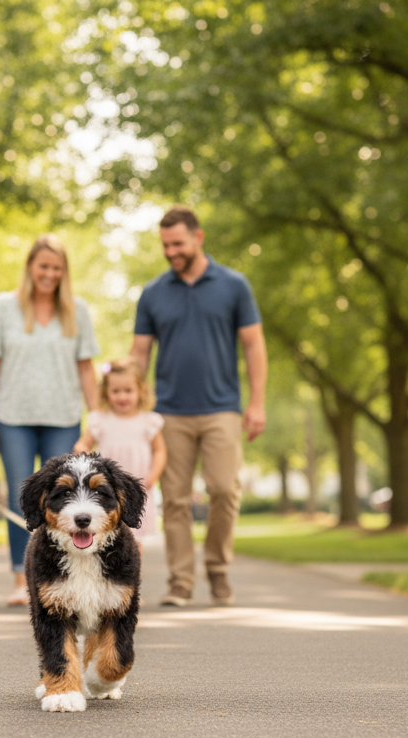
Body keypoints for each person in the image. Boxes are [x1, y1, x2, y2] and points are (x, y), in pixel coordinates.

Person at [130, 206, 267, 607]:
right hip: (169, 411)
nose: (171, 252)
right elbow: (139, 354)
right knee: (174, 500)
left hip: (222, 407)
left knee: (224, 489)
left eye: (177, 244)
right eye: (165, 245)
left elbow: (253, 344)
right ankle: (181, 582)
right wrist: (133, 406)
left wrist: (257, 402)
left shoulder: (234, 285)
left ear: (198, 238)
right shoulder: (153, 293)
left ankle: (218, 570)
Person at [0, 234, 100, 606]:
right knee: (22, 499)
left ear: (64, 272)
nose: (49, 274)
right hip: (12, 417)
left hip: (63, 417)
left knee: (63, 499)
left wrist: (96, 419)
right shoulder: (4, 306)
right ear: (31, 266)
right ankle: (21, 577)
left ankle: (62, 579)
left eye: (57, 268)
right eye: (44, 266)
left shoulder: (77, 310)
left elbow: (86, 368)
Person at [73, 359, 167, 552]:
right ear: (106, 392)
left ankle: (132, 570)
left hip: (137, 488)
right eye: (115, 391)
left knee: (134, 539)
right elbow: (83, 444)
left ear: (140, 390)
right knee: (105, 536)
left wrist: (152, 476)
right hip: (107, 491)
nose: (122, 396)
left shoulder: (148, 421)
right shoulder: (100, 420)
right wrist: (85, 454)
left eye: (128, 391)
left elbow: (160, 451)